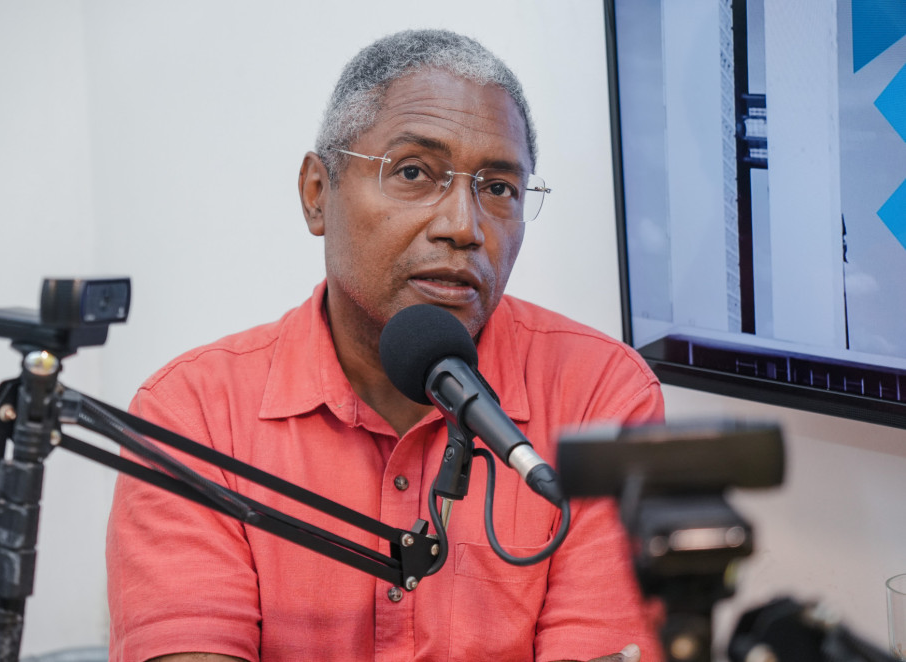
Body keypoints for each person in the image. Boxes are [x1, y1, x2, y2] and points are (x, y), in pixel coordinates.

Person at [106, 29, 665, 662]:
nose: (463, 226)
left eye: (499, 187)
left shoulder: (601, 395)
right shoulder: (194, 415)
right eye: (413, 172)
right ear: (318, 193)